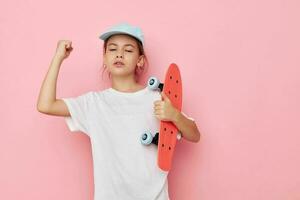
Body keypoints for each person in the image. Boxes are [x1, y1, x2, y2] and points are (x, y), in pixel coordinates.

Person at [37, 22, 201, 200]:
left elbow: (195, 134)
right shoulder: (93, 104)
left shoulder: (156, 98)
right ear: (105, 58)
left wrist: (174, 115)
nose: (120, 54)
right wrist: (58, 57)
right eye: (113, 49)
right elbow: (46, 105)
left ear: (140, 60)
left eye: (128, 50)